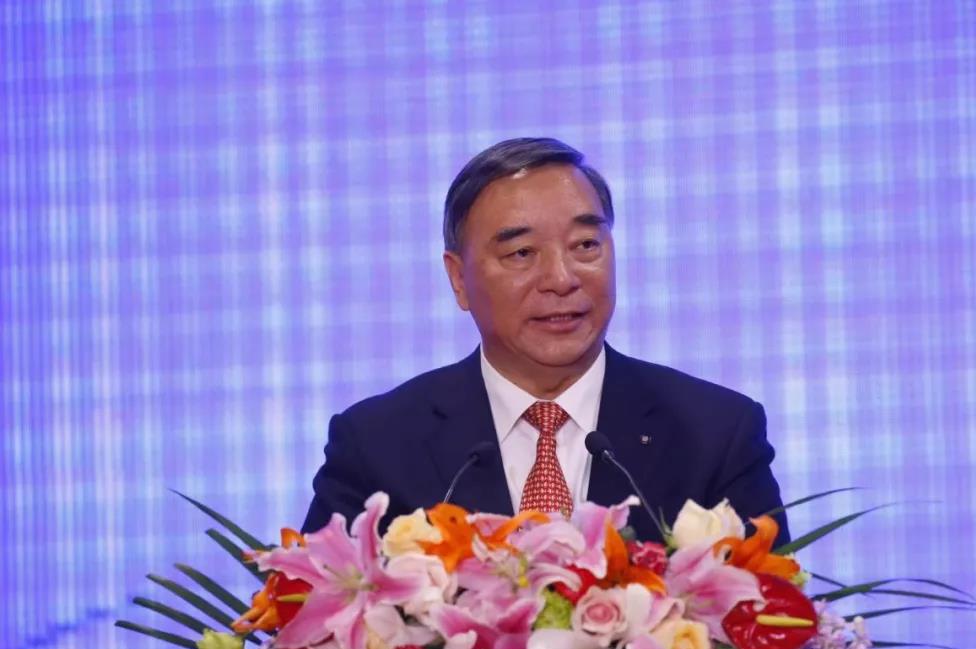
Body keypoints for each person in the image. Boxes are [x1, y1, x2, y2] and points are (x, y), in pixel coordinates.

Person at [301, 137, 789, 545]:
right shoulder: (377, 445)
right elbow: (311, 618)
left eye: (585, 246)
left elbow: (771, 621)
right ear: (459, 279)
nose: (561, 278)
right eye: (521, 253)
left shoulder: (715, 434)